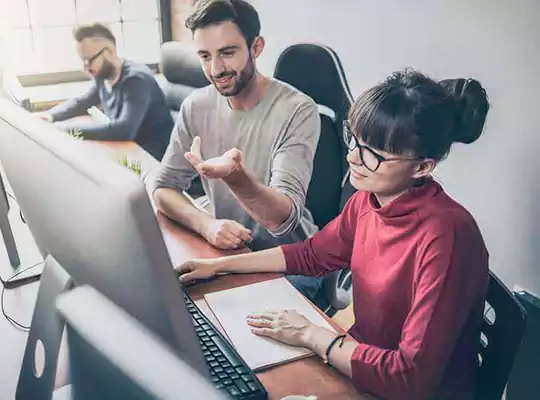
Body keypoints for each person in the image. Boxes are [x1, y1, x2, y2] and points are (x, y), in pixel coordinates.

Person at [176, 70, 491, 400]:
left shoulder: (448, 237)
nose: (353, 157)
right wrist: (220, 267)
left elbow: (410, 378)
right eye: (355, 140)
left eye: (374, 153)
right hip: (359, 360)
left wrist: (310, 334)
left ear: (423, 167)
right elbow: (312, 255)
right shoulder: (367, 200)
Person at [152, 0, 324, 302]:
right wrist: (206, 224)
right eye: (205, 56)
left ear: (256, 47)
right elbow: (163, 188)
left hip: (291, 265)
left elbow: (281, 220)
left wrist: (235, 176)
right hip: (227, 254)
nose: (216, 69)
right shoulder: (196, 105)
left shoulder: (297, 110)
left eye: (227, 53)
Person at [41, 23, 174, 161]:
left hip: (155, 161)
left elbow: (123, 130)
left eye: (89, 60)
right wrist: (49, 116)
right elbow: (80, 103)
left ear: (109, 53)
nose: (85, 68)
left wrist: (65, 131)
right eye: (82, 60)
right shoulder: (103, 76)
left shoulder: (136, 80)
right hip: (129, 152)